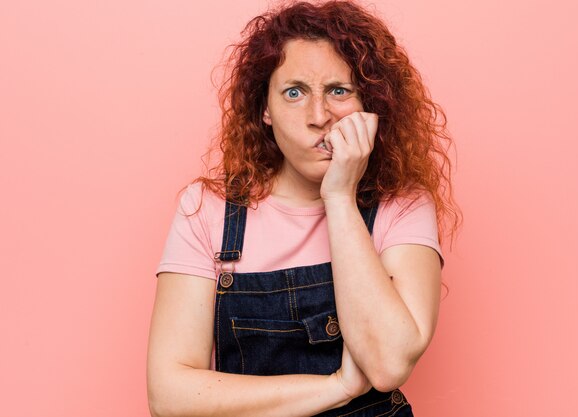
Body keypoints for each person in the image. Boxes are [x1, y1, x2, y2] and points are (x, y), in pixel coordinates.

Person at [147, 1, 461, 416]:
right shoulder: (207, 210)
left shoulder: (402, 204)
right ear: (265, 110)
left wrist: (339, 197)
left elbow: (388, 365)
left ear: (371, 104)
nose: (319, 117)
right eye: (294, 92)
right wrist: (338, 387)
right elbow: (169, 398)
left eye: (338, 91)